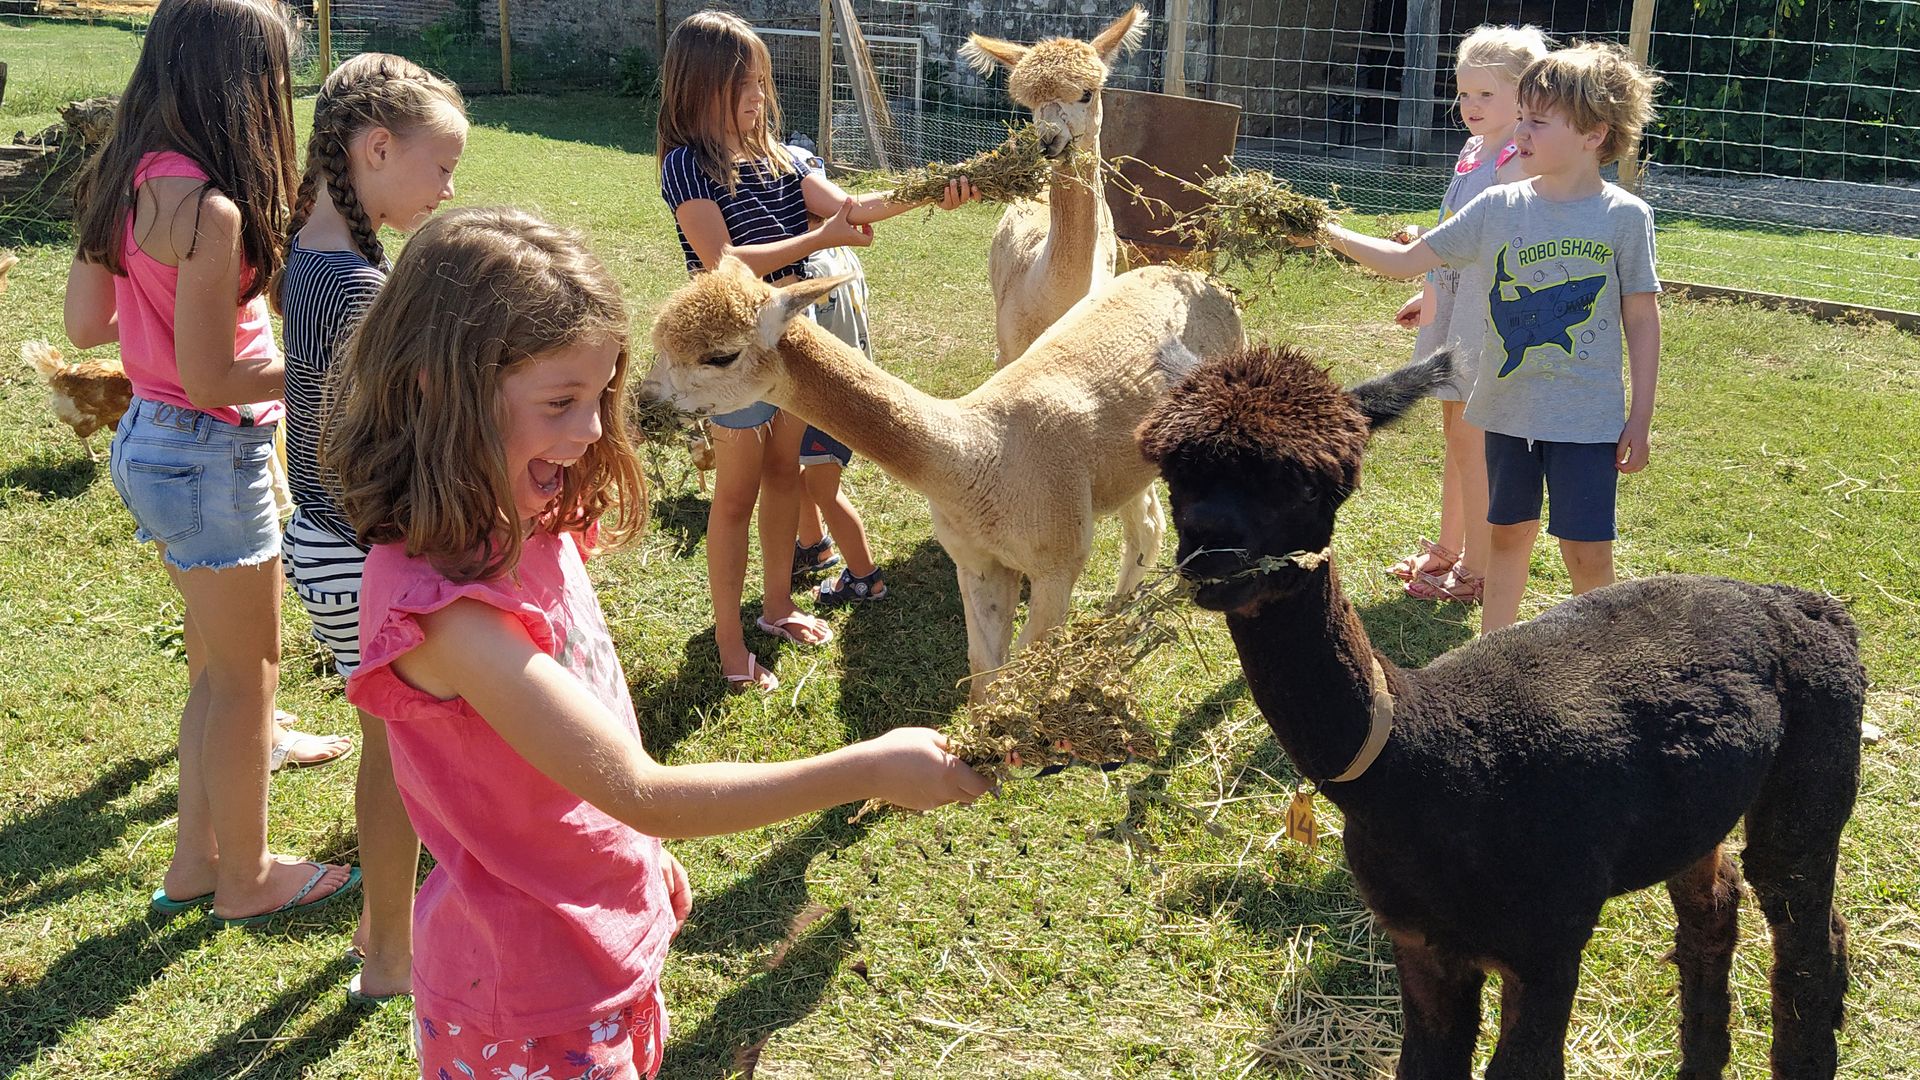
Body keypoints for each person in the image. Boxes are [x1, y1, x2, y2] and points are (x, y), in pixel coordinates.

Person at [325, 206, 989, 1079]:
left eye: (598, 396)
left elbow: (594, 765)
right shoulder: (448, 619)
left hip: (601, 942)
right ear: (433, 390)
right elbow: (639, 789)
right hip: (531, 1003)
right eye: (560, 402)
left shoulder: (527, 523)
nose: (595, 429)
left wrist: (637, 868)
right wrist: (866, 768)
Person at [63, 0, 358, 924]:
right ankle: (249, 876)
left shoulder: (126, 177)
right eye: (275, 75)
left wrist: (158, 305)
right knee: (247, 679)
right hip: (207, 452)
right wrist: (327, 348)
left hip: (148, 445)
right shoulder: (211, 208)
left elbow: (85, 325)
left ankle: (197, 862)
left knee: (217, 675)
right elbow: (212, 374)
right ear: (241, 83)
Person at [656, 9, 976, 691]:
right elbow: (727, 261)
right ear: (697, 86)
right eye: (741, 85)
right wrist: (815, 241)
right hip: (731, 356)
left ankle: (776, 607)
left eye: (761, 83)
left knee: (785, 476)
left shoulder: (781, 157)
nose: (757, 97)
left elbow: (852, 207)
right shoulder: (687, 167)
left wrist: (929, 194)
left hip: (790, 346)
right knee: (735, 498)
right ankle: (728, 641)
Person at [1306, 42, 1662, 634]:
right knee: (1506, 539)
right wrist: (1324, 229)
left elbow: (1643, 321)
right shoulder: (1497, 205)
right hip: (1505, 411)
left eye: (1537, 121)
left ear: (1594, 134)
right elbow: (1408, 260)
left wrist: (1640, 418)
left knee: (1588, 554)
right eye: (1520, 115)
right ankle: (1493, 661)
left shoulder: (1625, 218)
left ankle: (1606, 662)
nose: (1520, 131)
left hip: (1587, 420)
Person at [272, 51, 467, 1005]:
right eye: (440, 166)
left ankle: (390, 930)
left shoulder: (321, 257)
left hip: (331, 539)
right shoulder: (349, 287)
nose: (448, 186)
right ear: (377, 149)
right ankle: (388, 950)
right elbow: (381, 438)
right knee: (397, 752)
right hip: (354, 549)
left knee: (400, 743)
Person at [1388, 24, 1549, 604]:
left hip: (1488, 314)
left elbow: (1491, 240)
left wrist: (1435, 254)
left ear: (1525, 94)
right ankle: (1449, 548)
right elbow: (1459, 233)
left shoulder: (1517, 159)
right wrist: (1432, 293)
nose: (1469, 106)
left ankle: (1478, 570)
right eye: (1463, 93)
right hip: (1456, 304)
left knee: (1473, 441)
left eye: (1485, 94)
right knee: (1453, 432)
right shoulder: (1474, 150)